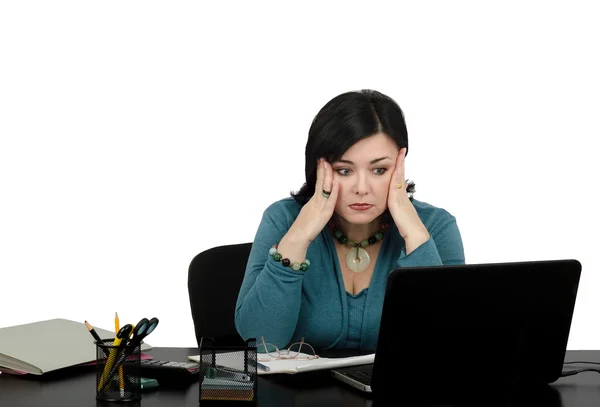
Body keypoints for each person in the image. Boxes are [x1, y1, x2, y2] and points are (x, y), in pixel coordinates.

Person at [235, 89, 465, 353]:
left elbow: (446, 346)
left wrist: (414, 234)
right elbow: (262, 341)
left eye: (379, 170)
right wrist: (299, 234)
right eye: (344, 170)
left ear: (400, 166)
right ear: (318, 169)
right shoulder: (283, 220)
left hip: (398, 393)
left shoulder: (435, 227)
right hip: (298, 394)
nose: (362, 188)